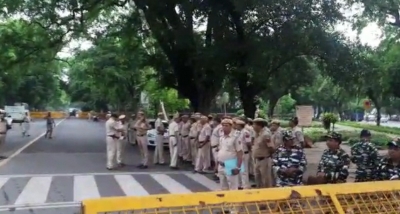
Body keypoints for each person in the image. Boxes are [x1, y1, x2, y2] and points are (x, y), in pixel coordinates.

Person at [217, 118, 243, 190]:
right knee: (223, 187)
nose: (224, 127)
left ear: (231, 126)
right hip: (221, 164)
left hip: (231, 164)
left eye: (227, 125)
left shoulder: (235, 137)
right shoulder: (221, 137)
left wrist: (238, 167)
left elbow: (240, 153)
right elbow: (221, 150)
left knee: (233, 187)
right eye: (223, 125)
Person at [252, 118, 274, 188]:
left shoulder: (265, 135)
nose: (253, 126)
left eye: (254, 124)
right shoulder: (257, 134)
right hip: (257, 160)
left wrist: (268, 156)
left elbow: (271, 147)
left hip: (264, 160)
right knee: (258, 179)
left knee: (266, 180)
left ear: (259, 125)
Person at [235, 119, 252, 189]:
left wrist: (249, 150)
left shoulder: (246, 132)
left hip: (244, 152)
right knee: (239, 169)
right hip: (238, 153)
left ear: (240, 125)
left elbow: (248, 143)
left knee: (244, 170)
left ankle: (245, 185)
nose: (236, 126)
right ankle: (239, 184)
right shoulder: (237, 132)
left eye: (237, 125)